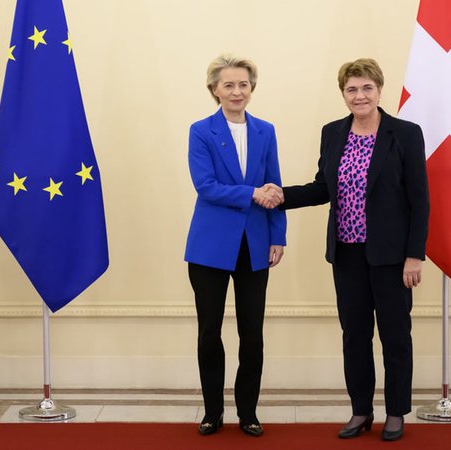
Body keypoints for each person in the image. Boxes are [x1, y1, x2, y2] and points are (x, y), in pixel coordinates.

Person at [275, 58, 429, 442]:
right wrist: (279, 197)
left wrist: (415, 254)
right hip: (347, 254)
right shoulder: (333, 133)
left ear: (379, 90)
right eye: (351, 89)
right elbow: (322, 188)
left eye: (366, 88)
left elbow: (419, 199)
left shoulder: (405, 134)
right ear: (343, 93)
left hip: (392, 257)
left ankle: (396, 412)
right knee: (354, 336)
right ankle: (361, 410)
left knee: (395, 336)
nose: (359, 96)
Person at [184, 54, 286, 437]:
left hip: (255, 244)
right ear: (215, 90)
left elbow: (275, 187)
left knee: (252, 332)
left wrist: (278, 235)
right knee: (209, 331)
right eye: (229, 85)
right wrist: (252, 193)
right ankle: (212, 411)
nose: (237, 91)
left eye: (243, 84)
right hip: (210, 246)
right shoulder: (201, 131)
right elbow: (205, 186)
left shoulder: (266, 131)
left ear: (251, 88)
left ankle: (248, 412)